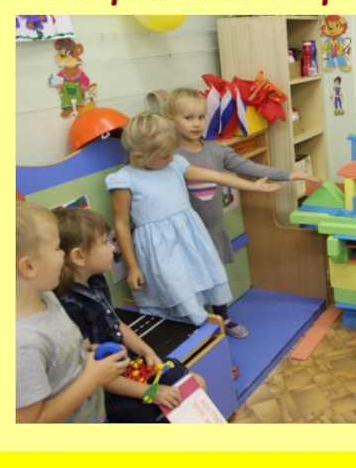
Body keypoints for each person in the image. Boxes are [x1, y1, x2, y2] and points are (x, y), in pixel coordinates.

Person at [166, 87, 321, 337]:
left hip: (212, 229)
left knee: (217, 278)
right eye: (188, 118)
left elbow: (249, 167)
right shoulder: (169, 156)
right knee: (189, 280)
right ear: (170, 119)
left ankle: (223, 318)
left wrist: (290, 175)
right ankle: (195, 325)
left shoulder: (216, 151)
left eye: (201, 117)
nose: (196, 124)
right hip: (185, 234)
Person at [106, 111, 282, 327]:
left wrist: (253, 186)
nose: (171, 159)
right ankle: (195, 331)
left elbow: (215, 176)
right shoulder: (124, 180)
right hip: (162, 249)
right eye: (165, 156)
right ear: (140, 156)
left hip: (191, 237)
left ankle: (222, 320)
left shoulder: (174, 165)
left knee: (207, 275)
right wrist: (132, 266)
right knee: (177, 287)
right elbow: (122, 225)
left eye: (171, 153)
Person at [54, 207, 209, 422]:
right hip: (108, 389)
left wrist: (147, 351)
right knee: (179, 405)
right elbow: (95, 376)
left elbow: (115, 324)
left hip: (130, 365)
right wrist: (151, 393)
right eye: (104, 242)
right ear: (79, 256)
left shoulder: (95, 279)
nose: (112, 247)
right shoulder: (69, 307)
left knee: (197, 384)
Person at [16, 202, 128, 423]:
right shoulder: (22, 345)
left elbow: (57, 351)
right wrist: (92, 379)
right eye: (57, 248)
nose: (63, 255)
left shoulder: (46, 296)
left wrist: (82, 352)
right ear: (29, 267)